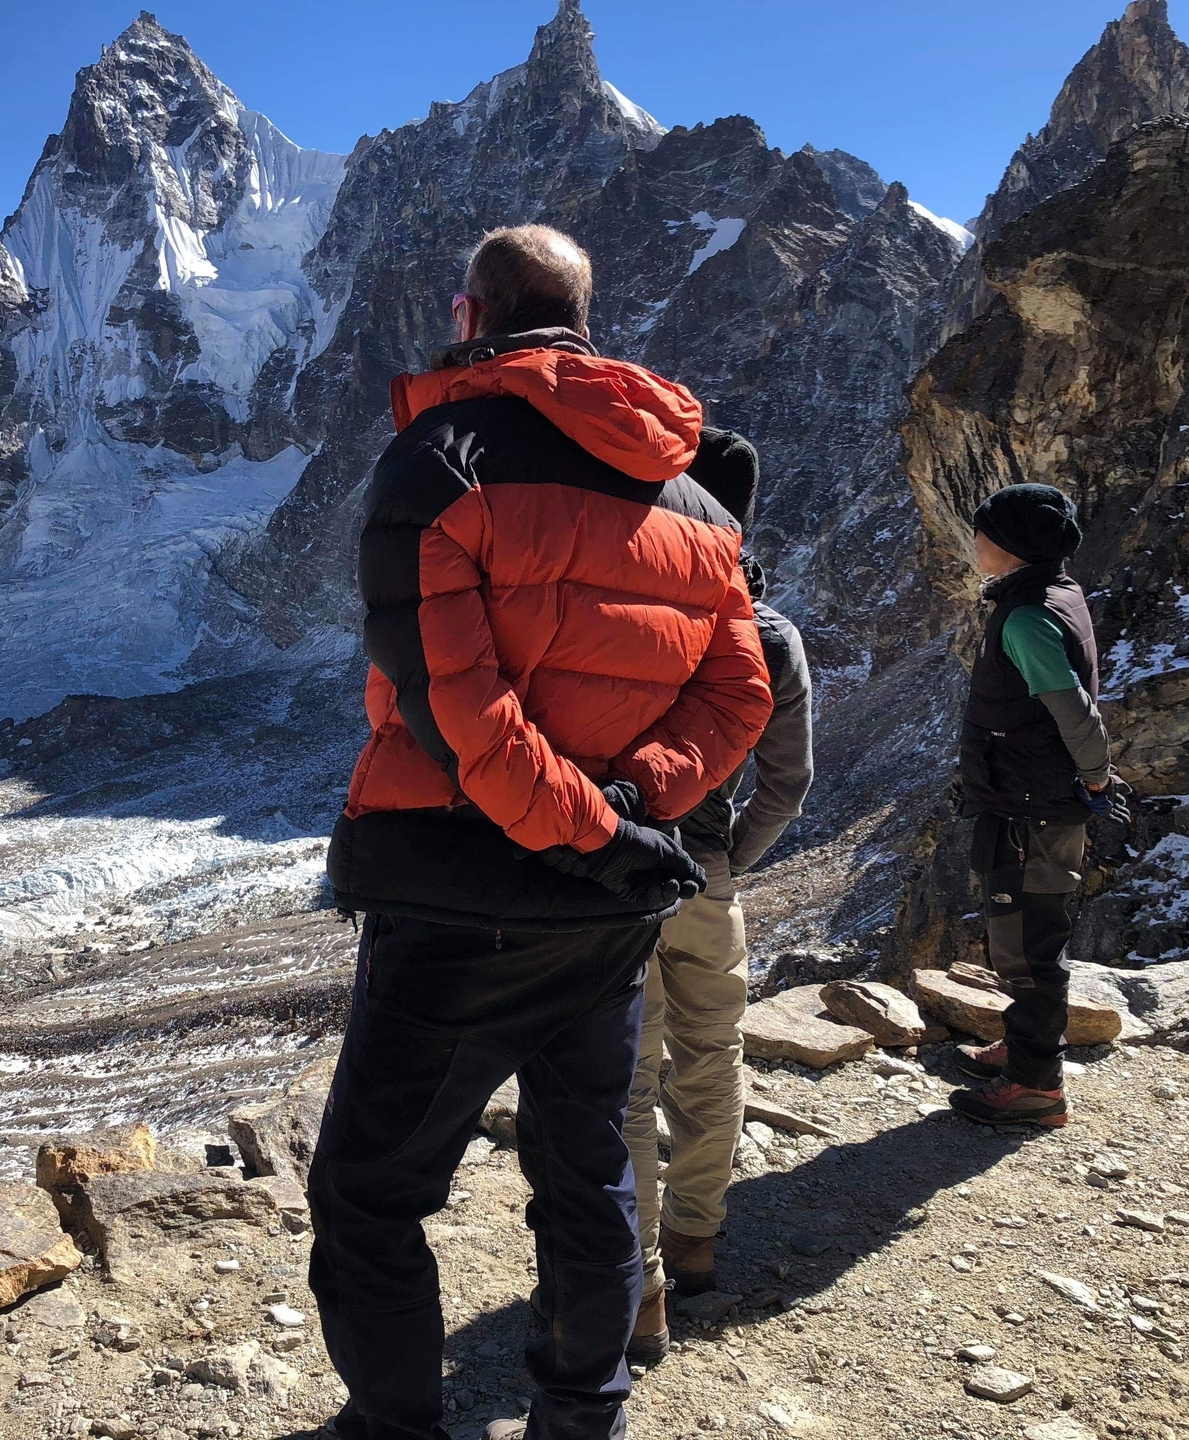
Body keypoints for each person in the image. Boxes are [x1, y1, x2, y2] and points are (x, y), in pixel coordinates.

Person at [311, 223, 774, 1440]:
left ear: (470, 317)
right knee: (587, 1175)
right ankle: (582, 1420)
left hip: (456, 895)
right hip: (607, 911)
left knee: (370, 1192)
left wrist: (580, 826)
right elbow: (740, 697)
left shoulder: (441, 458)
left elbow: (450, 702)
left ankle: (393, 1426)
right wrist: (630, 811)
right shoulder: (695, 502)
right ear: (584, 318)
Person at [619, 428, 813, 1366]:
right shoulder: (769, 632)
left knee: (624, 1081)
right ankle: (696, 1239)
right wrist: (729, 856)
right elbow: (787, 782)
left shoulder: (622, 604)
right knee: (711, 1057)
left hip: (616, 876)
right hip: (705, 874)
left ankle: (638, 1288)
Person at [947, 482, 1129, 1129]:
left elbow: (1074, 712)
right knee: (1024, 933)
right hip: (1030, 796)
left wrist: (1098, 778)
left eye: (983, 532)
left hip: (1032, 805)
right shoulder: (1058, 593)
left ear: (1010, 544)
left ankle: (1035, 1087)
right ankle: (1023, 1046)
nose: (974, 541)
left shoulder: (1026, 617)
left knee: (1028, 945)